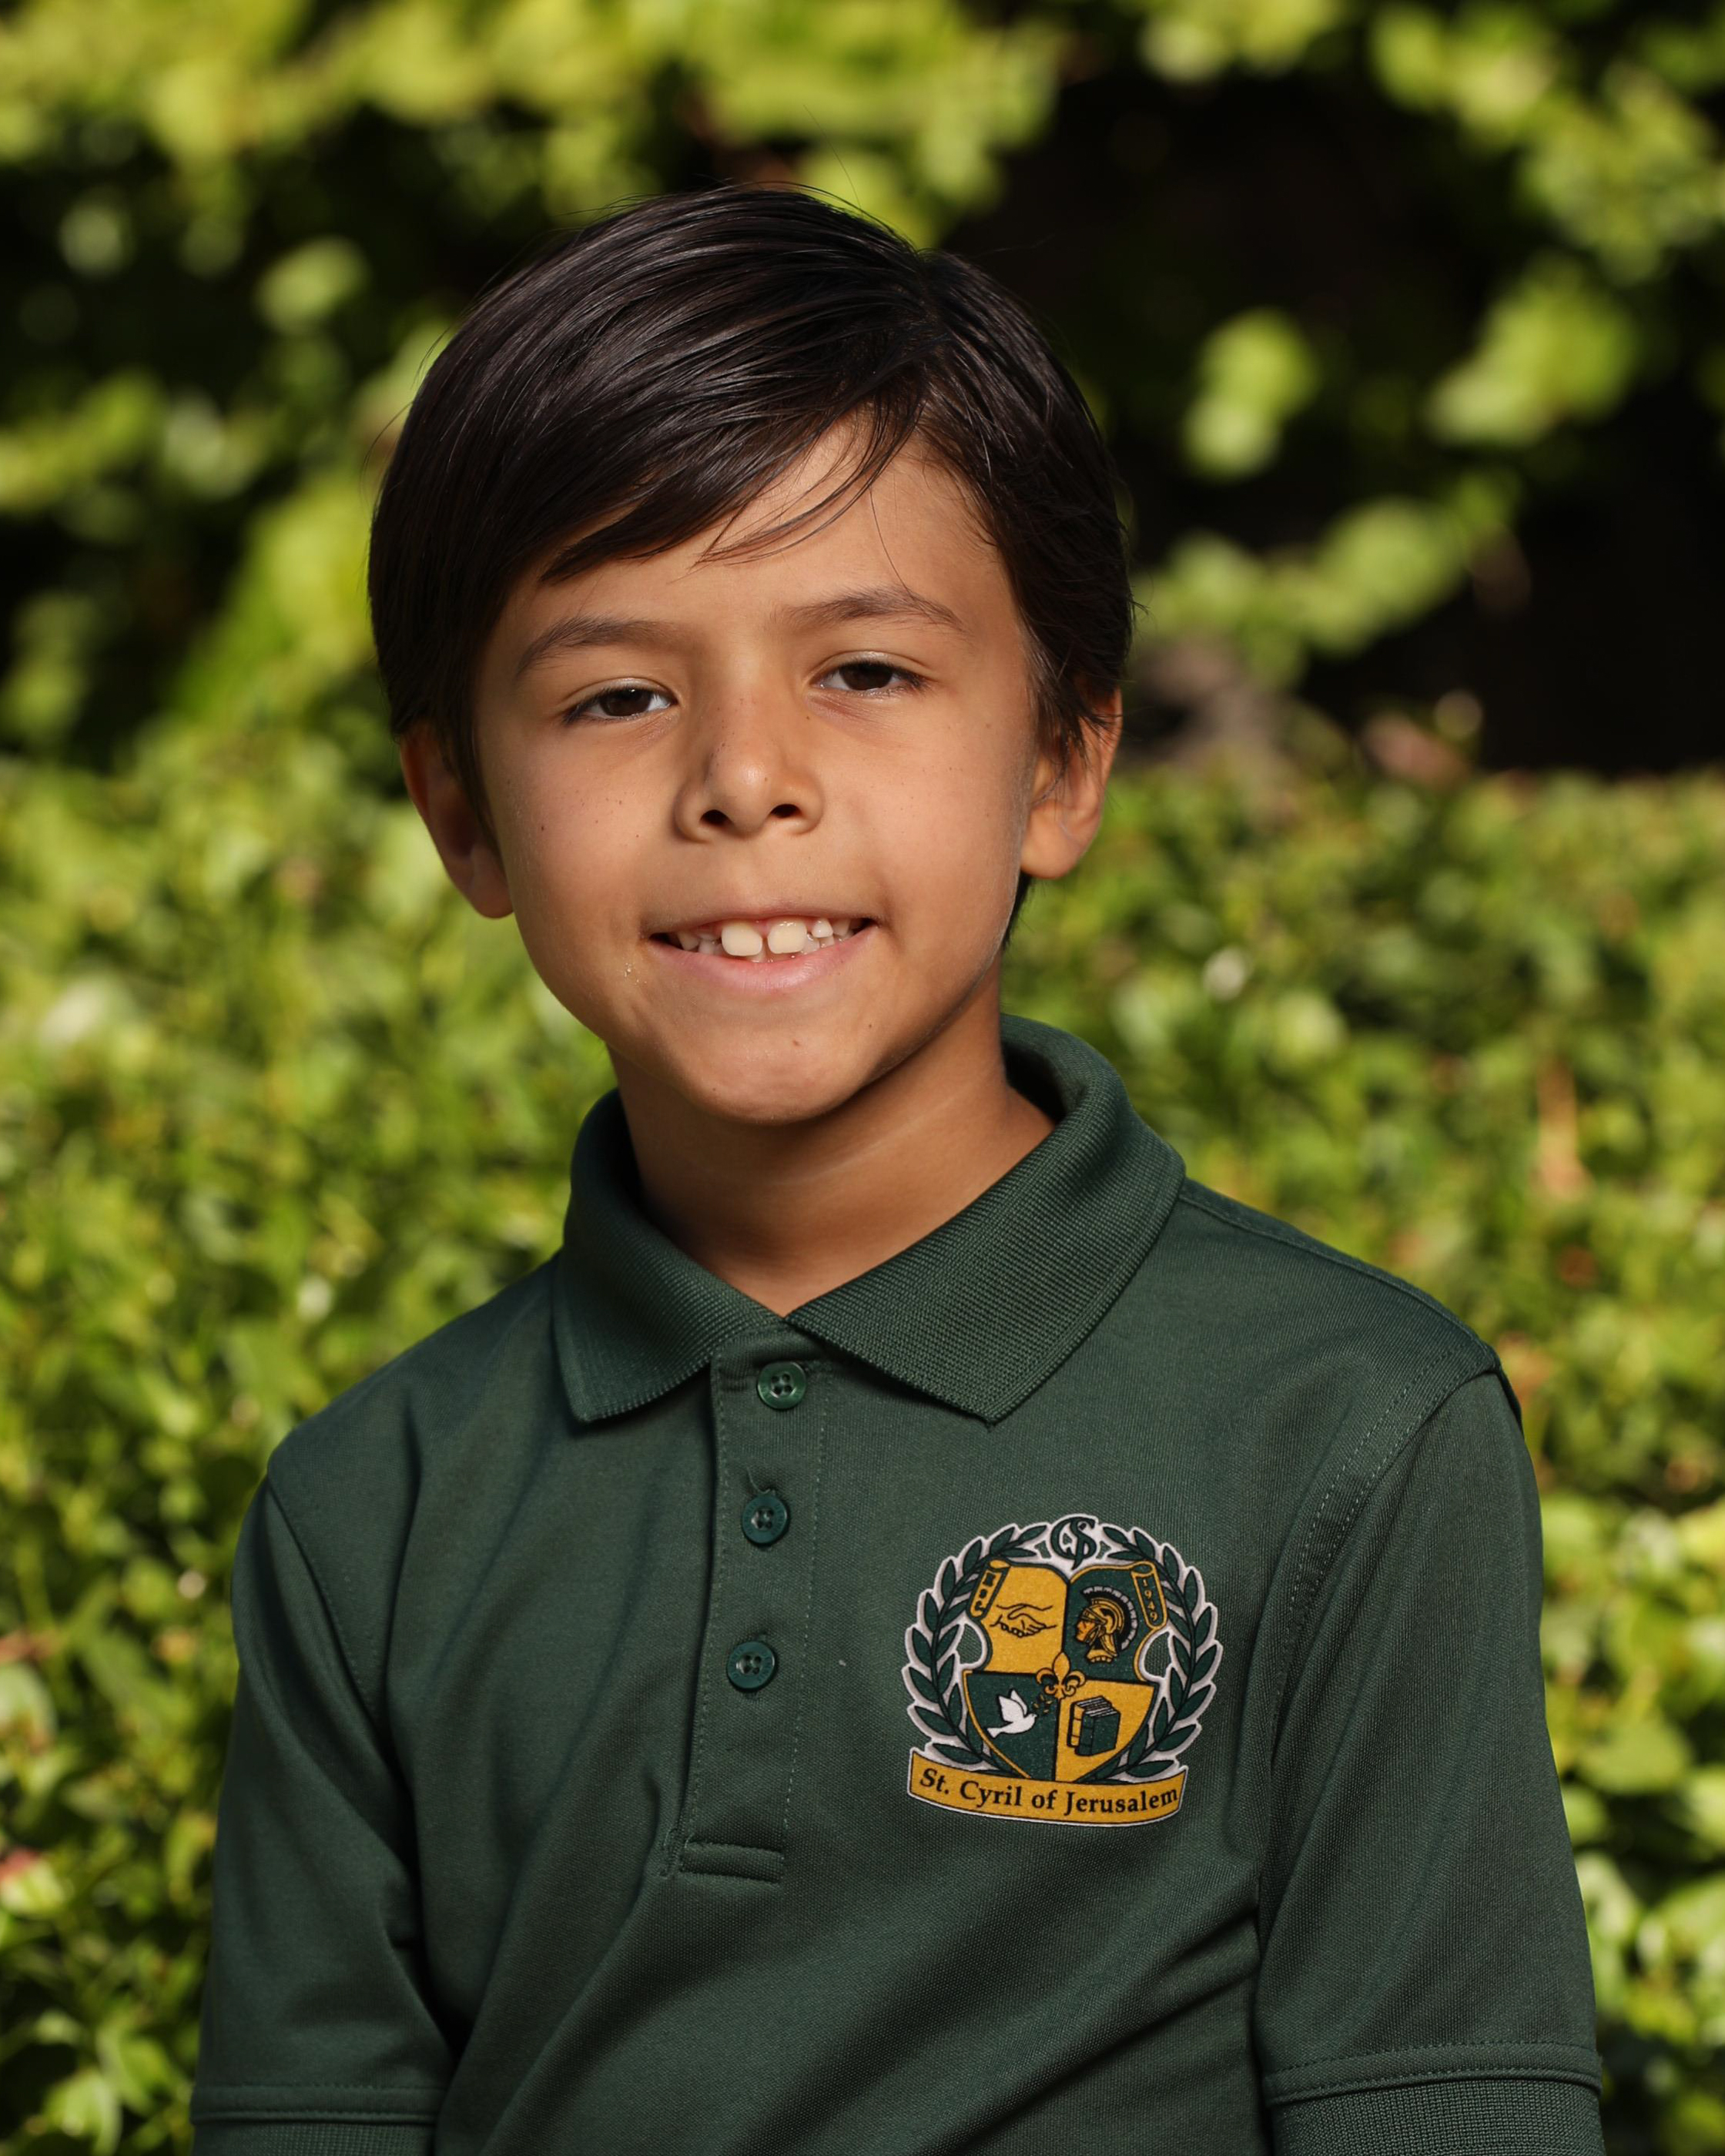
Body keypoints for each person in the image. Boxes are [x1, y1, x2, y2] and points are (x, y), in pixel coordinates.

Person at [189, 183, 1604, 2155]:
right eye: (616, 694)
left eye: (862, 669)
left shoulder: (1348, 1426)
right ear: (461, 813)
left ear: (1065, 757)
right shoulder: (372, 1504)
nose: (742, 777)